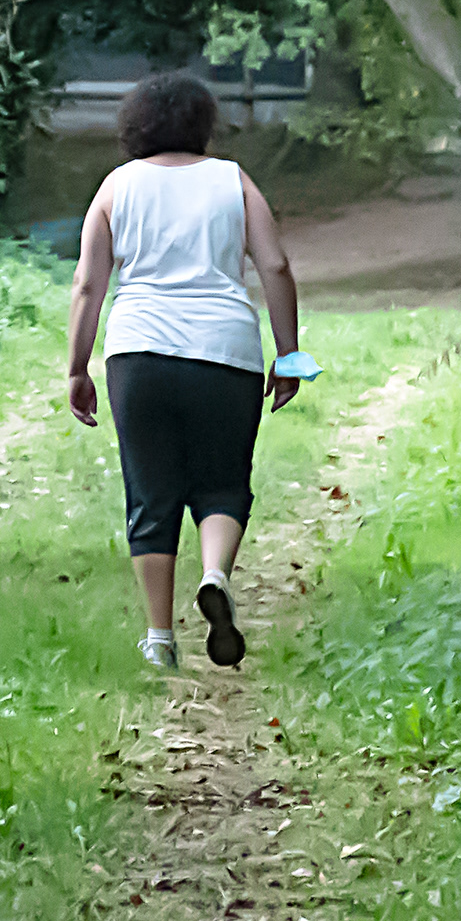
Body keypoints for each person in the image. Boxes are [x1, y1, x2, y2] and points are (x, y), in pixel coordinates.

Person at [63, 72, 304, 670]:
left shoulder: (117, 186)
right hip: (225, 352)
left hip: (139, 353)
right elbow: (275, 267)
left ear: (134, 124)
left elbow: (89, 284)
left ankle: (160, 641)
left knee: (151, 494)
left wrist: (77, 366)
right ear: (204, 124)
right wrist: (289, 354)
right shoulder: (233, 180)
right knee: (222, 482)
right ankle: (216, 577)